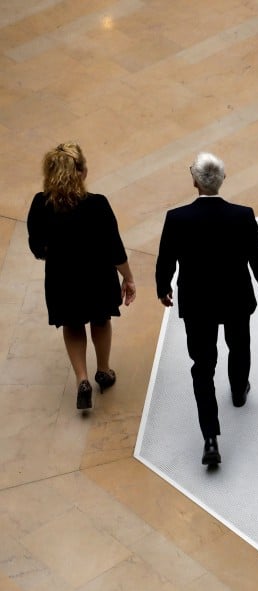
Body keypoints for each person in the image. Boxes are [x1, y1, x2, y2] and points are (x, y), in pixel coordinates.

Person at [156, 152, 258, 468]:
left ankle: (210, 437)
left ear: (194, 181)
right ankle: (239, 391)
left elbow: (166, 261)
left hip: (198, 303)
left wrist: (164, 288)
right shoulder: (242, 216)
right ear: (222, 179)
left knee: (202, 365)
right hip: (236, 297)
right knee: (239, 346)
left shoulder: (177, 219)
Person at [27, 142, 136, 411]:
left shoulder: (40, 204)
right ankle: (103, 371)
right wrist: (128, 277)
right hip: (97, 276)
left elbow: (36, 247)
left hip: (61, 278)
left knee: (72, 324)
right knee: (100, 320)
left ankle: (82, 380)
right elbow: (115, 248)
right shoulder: (97, 205)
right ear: (82, 172)